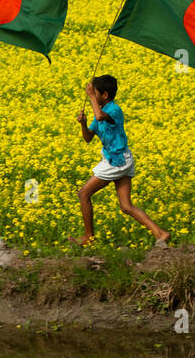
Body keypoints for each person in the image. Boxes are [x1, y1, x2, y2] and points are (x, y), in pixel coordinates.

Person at [71, 75, 171, 249]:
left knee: (83, 194)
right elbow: (88, 138)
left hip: (116, 161)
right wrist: (83, 124)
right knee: (126, 206)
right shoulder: (98, 113)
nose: (92, 95)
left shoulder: (114, 110)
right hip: (120, 160)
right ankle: (160, 233)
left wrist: (91, 98)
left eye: (95, 93)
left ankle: (89, 237)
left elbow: (101, 116)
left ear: (104, 95)